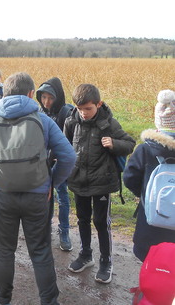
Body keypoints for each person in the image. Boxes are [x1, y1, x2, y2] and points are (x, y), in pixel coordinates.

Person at [0, 72, 76, 305]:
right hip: (37, 195)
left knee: (3, 250)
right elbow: (69, 157)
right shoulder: (43, 120)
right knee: (40, 251)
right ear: (32, 94)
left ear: (6, 92)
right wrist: (52, 182)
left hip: (2, 196)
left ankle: (1, 299)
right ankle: (49, 302)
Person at [64, 83, 135, 284]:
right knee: (83, 219)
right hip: (79, 181)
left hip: (102, 183)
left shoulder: (109, 124)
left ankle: (106, 261)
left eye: (88, 108)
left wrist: (114, 144)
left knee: (101, 222)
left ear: (98, 104)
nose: (84, 113)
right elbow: (66, 144)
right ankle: (86, 254)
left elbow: (129, 143)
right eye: (80, 109)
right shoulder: (72, 122)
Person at [123, 89, 175, 262]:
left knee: (151, 270)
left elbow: (129, 178)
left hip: (150, 228)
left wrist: (145, 194)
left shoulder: (145, 149)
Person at [36, 77, 74, 251]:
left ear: (58, 97)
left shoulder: (67, 112)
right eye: (43, 97)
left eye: (50, 98)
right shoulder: (40, 114)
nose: (47, 101)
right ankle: (45, 230)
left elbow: (73, 138)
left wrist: (63, 155)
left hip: (60, 163)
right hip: (44, 163)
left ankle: (64, 231)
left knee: (63, 198)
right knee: (45, 197)